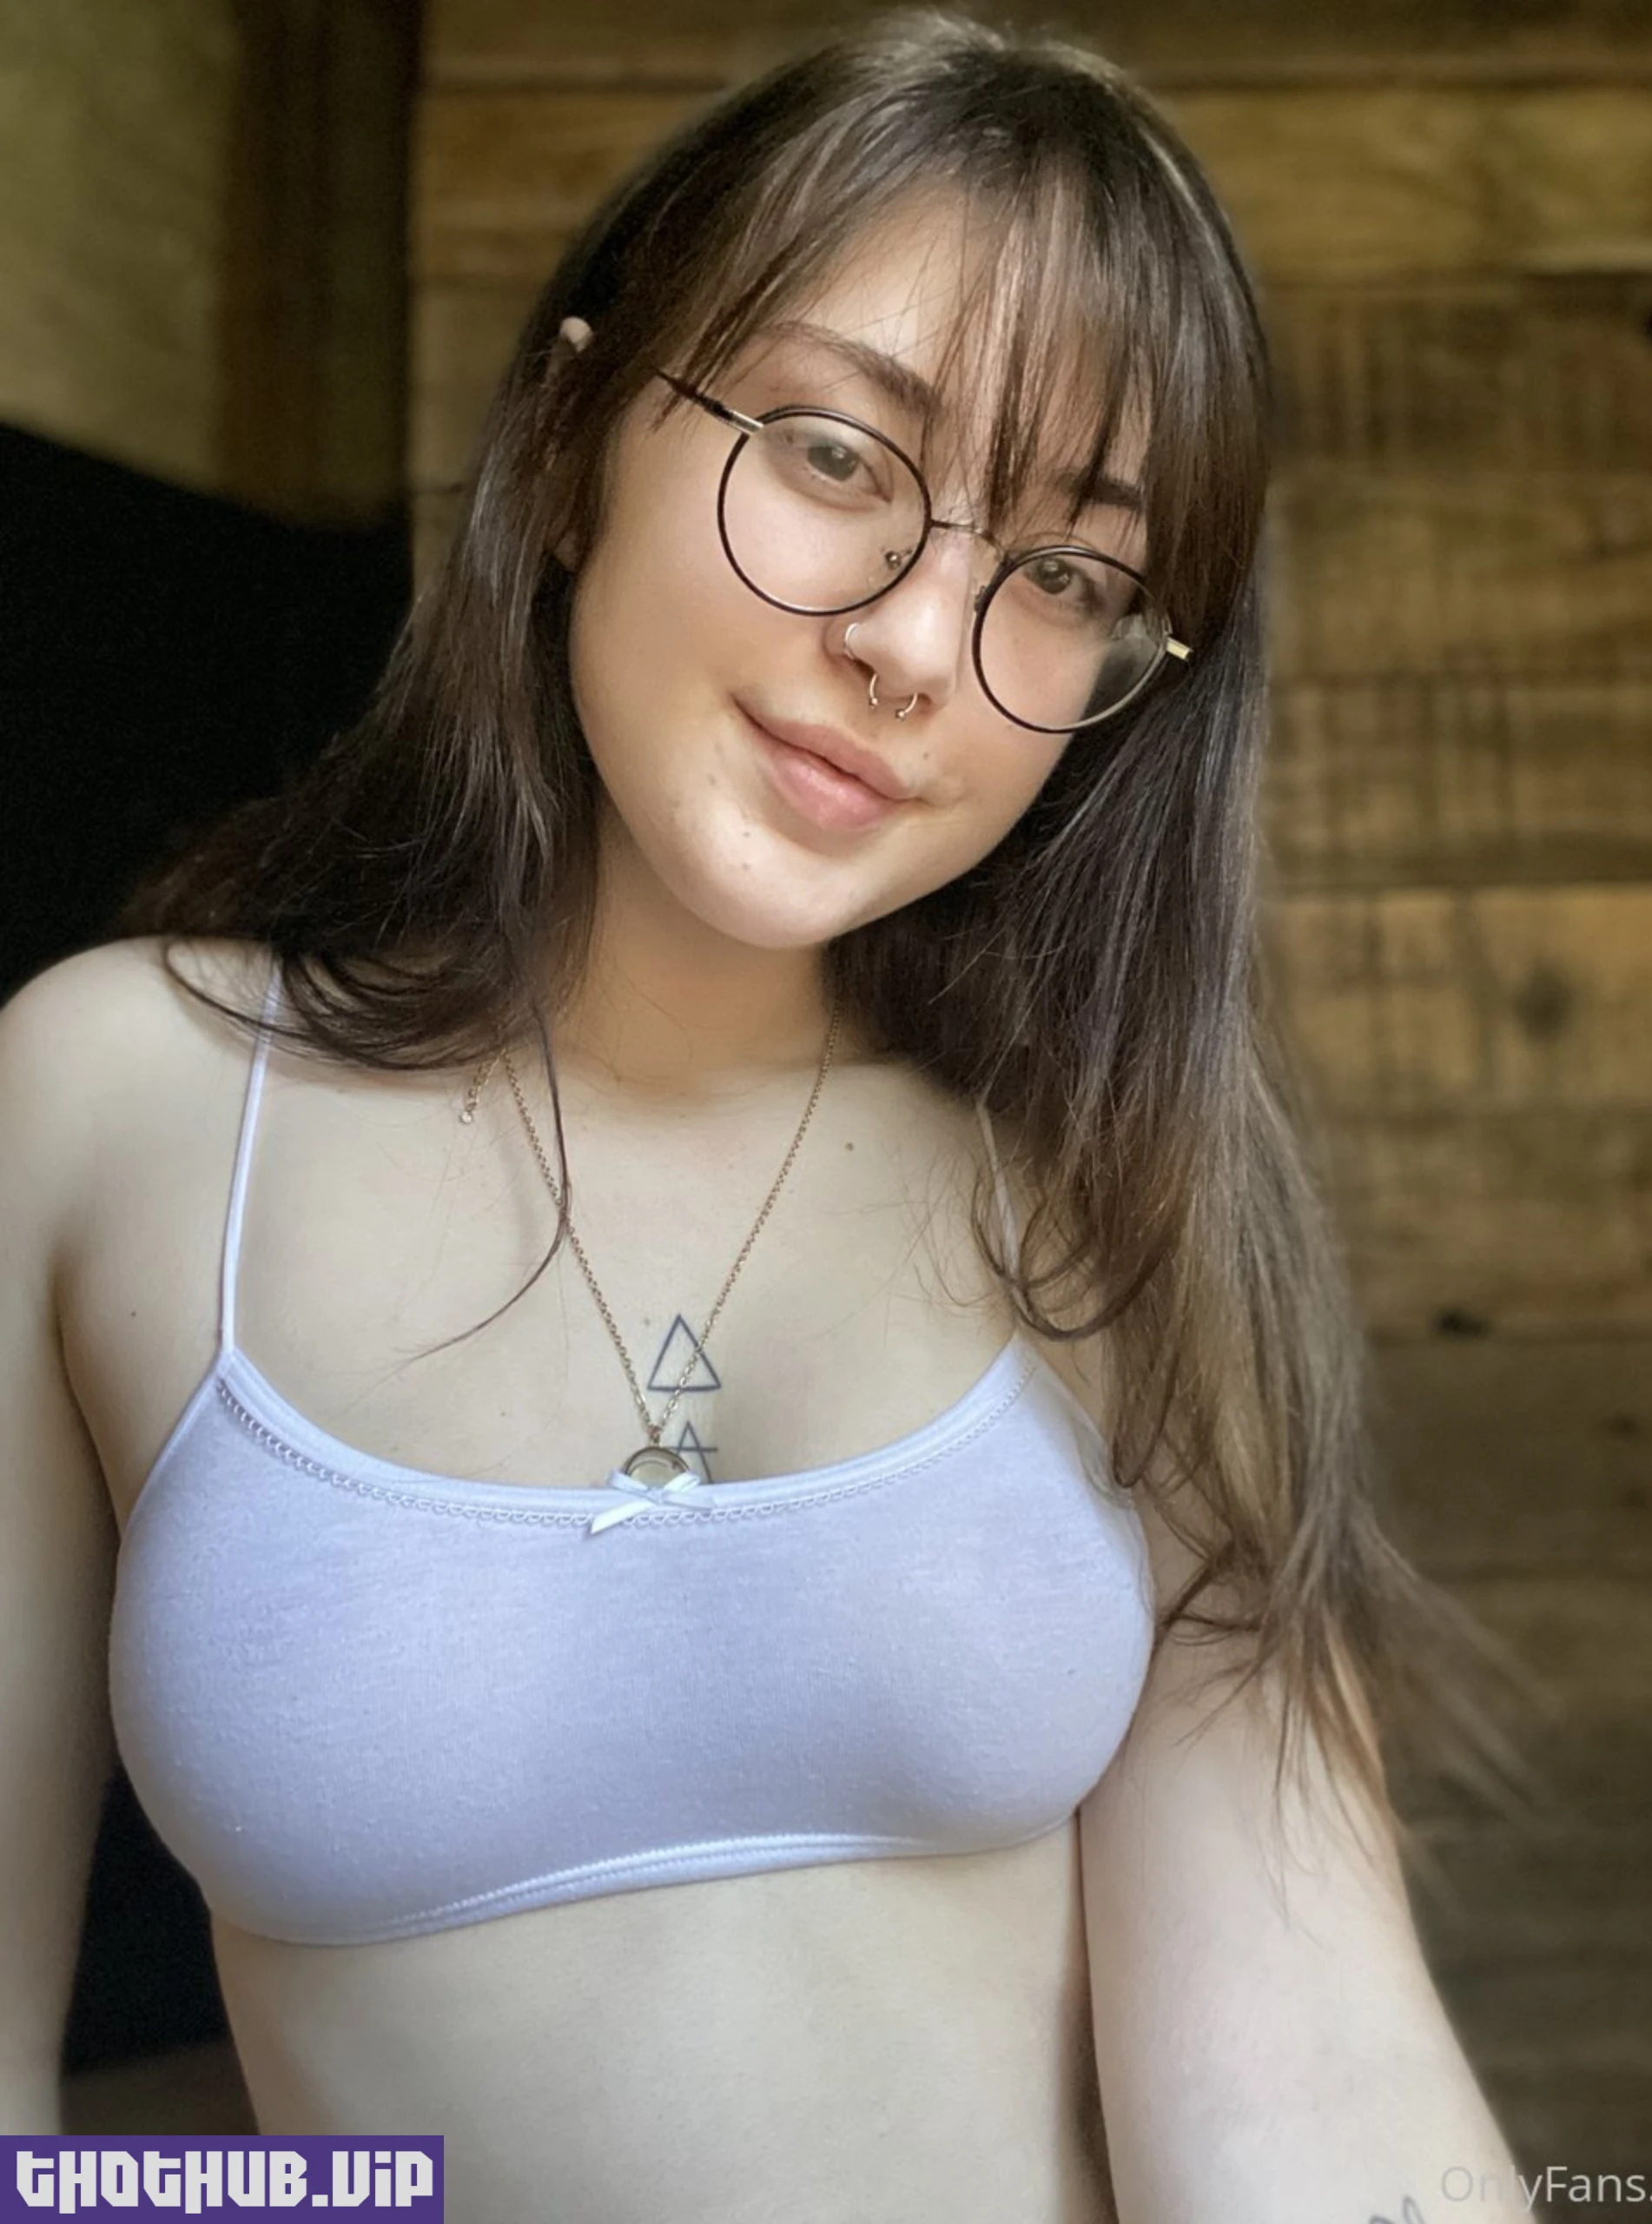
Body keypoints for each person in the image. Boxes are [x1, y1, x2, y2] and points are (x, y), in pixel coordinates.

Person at [1, 11, 1544, 2219]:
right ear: (573, 434)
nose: (919, 640)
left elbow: (1316, 2084)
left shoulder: (1111, 1187)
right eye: (836, 453)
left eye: (1064, 575)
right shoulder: (109, 1106)